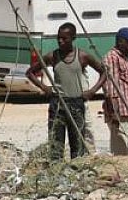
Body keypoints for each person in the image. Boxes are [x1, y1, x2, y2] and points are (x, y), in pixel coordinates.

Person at [26, 22, 105, 159]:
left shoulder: (82, 56)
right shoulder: (53, 56)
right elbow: (30, 72)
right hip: (58, 104)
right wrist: (44, 87)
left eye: (64, 38)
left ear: (73, 38)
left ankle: (77, 172)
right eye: (58, 38)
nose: (60, 41)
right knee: (56, 144)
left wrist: (92, 91)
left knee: (78, 145)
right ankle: (56, 171)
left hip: (76, 104)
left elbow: (104, 73)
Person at [92, 27, 128, 155]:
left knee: (127, 148)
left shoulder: (125, 57)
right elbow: (110, 85)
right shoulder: (112, 58)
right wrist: (113, 112)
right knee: (120, 149)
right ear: (121, 41)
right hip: (120, 112)